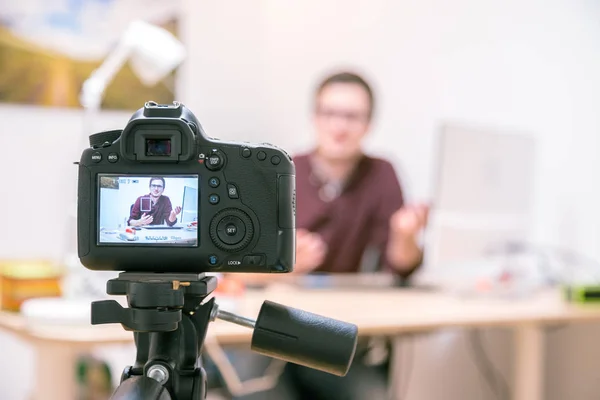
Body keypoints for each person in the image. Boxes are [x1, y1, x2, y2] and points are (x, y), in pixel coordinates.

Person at [206, 71, 429, 399]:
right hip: (269, 334)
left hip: (334, 333)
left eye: (352, 116)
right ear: (315, 117)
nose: (340, 126)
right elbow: (228, 268)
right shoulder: (281, 171)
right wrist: (284, 265)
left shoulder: (381, 173)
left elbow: (400, 267)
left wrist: (405, 236)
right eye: (330, 113)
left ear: (368, 124)